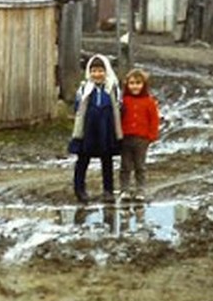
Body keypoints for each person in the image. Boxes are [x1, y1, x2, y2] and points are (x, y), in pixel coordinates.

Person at [69, 54, 122, 203]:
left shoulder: (112, 88)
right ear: (89, 72)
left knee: (107, 160)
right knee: (83, 159)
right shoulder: (85, 89)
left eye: (100, 71)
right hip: (88, 130)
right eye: (93, 71)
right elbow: (78, 108)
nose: (97, 74)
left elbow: (118, 107)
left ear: (106, 71)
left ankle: (108, 190)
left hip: (106, 129)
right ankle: (80, 189)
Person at [119, 68, 161, 201]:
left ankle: (140, 190)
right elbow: (118, 117)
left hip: (142, 139)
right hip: (125, 137)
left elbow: (154, 119)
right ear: (127, 84)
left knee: (140, 166)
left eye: (138, 83)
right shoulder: (123, 100)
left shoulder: (149, 102)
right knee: (125, 165)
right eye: (132, 83)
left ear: (143, 85)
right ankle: (124, 189)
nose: (135, 86)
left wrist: (151, 136)